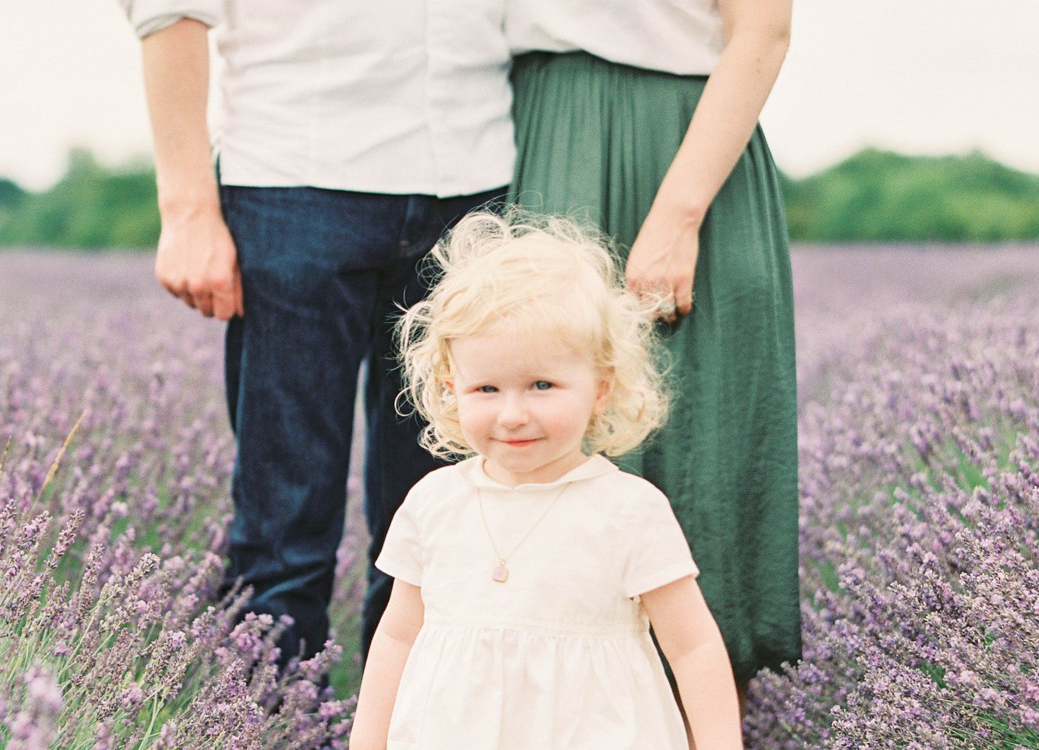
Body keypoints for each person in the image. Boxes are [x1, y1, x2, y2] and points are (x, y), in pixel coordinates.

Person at [116, 1, 515, 663]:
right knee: (283, 530)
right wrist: (186, 208)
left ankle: (409, 730)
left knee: (447, 530)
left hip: (476, 180)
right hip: (295, 179)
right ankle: (267, 728)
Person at [350, 212, 741, 749]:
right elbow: (396, 636)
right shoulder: (433, 502)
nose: (512, 414)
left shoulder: (627, 509)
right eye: (486, 389)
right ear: (450, 387)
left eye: (541, 384)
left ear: (600, 389)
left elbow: (693, 647)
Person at [505, 0, 802, 700]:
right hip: (538, 125)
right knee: (536, 439)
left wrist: (678, 214)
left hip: (683, 140)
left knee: (699, 444)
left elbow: (763, 29)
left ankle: (707, 721)